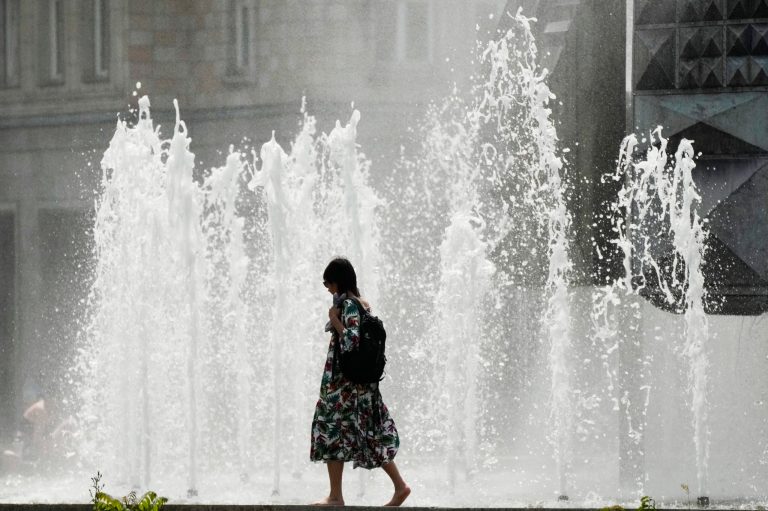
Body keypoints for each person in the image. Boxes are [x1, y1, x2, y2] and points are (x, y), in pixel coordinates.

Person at [310, 257, 410, 507]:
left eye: (328, 282)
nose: (327, 288)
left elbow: (351, 342)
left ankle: (336, 497)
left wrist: (335, 321)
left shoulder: (349, 306)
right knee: (367, 435)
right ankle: (399, 487)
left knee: (330, 430)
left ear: (338, 281)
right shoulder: (359, 304)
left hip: (345, 388)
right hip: (353, 387)